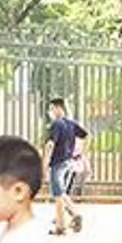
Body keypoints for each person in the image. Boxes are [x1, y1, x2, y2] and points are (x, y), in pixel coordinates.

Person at [43, 98, 87, 235]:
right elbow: (86, 135)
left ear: (58, 108)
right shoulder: (72, 124)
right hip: (69, 162)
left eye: (52, 108)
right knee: (61, 194)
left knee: (58, 195)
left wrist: (44, 164)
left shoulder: (56, 124)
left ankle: (67, 221)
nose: (50, 112)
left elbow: (50, 145)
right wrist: (80, 152)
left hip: (58, 163)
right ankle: (65, 221)